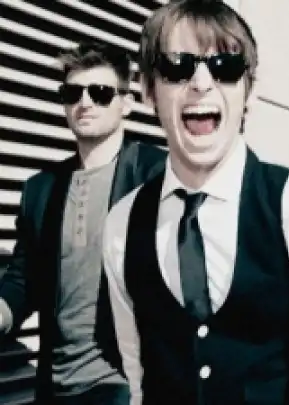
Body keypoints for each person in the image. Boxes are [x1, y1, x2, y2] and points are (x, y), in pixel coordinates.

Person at [101, 1, 289, 405]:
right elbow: (137, 370)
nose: (201, 82)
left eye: (225, 66)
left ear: (251, 91)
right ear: (148, 90)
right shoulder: (122, 224)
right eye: (178, 66)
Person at [0, 42, 166, 404]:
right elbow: (23, 280)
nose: (85, 103)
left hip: (124, 382)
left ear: (126, 103)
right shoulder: (40, 189)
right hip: (55, 384)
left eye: (100, 93)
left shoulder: (159, 176)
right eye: (73, 93)